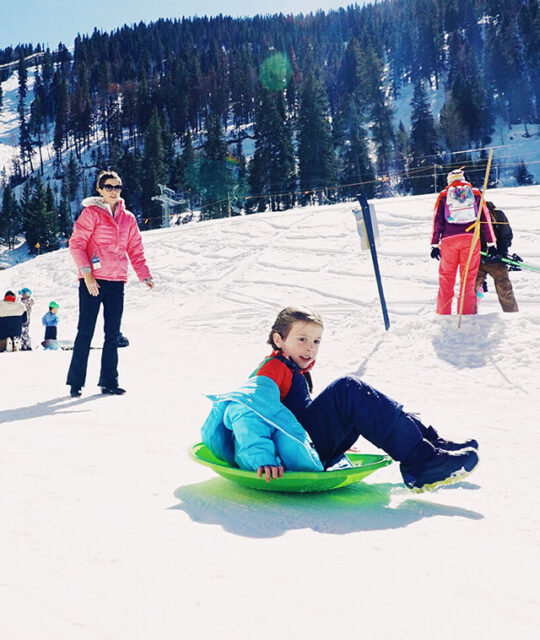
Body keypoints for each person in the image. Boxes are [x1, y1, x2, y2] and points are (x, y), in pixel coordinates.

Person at [201, 306, 479, 492]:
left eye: (316, 341)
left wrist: (337, 436)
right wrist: (261, 459)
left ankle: (430, 445)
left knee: (364, 402)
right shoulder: (273, 368)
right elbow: (245, 411)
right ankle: (423, 461)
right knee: (348, 389)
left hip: (299, 447)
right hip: (285, 459)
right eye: (302, 339)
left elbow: (300, 416)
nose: (310, 348)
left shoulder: (292, 369)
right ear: (278, 340)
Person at [66, 170, 154, 398]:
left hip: (116, 280)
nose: (114, 191)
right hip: (92, 280)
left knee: (112, 333)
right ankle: (76, 383)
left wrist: (144, 274)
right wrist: (87, 275)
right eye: (109, 187)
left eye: (117, 187)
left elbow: (135, 249)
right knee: (85, 331)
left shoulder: (129, 218)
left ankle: (109, 381)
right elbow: (76, 244)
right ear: (99, 189)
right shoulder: (91, 214)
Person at [431, 167, 498, 315]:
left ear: (449, 181)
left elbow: (437, 220)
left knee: (446, 279)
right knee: (468, 279)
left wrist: (435, 244)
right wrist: (491, 243)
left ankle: (443, 314)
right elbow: (485, 218)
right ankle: (466, 314)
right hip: (470, 239)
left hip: (448, 241)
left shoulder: (443, 195)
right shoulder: (475, 193)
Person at [475, 201, 519, 313]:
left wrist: (502, 252)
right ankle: (469, 317)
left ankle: (512, 315)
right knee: (470, 290)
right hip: (476, 261)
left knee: (504, 287)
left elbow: (506, 235)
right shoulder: (466, 217)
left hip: (496, 260)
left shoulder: (497, 214)